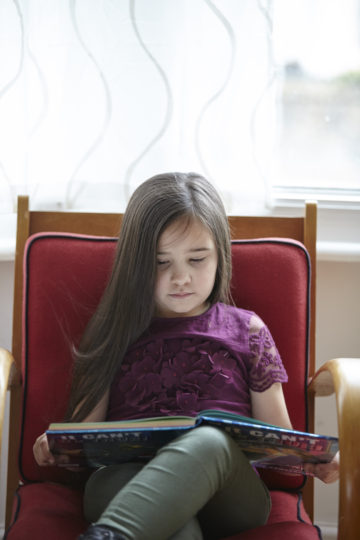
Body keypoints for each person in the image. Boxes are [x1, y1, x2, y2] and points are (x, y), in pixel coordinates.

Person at [33, 172, 339, 540]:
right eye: (161, 262)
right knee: (179, 530)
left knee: (209, 440)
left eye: (196, 259)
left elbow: (277, 438)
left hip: (229, 497)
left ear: (219, 255)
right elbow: (84, 437)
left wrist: (314, 459)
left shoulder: (248, 330)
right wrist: (54, 444)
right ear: (136, 263)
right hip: (125, 485)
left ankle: (107, 536)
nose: (181, 278)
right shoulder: (115, 330)